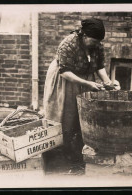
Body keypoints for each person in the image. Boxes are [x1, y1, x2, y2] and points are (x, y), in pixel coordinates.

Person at [43, 18, 119, 166]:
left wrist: (107, 82)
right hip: (65, 80)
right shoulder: (68, 44)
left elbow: (99, 66)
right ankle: (57, 154)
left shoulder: (97, 46)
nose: (97, 44)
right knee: (63, 114)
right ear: (84, 36)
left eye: (98, 42)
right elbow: (64, 72)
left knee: (82, 114)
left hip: (85, 79)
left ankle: (77, 152)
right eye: (94, 41)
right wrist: (88, 83)